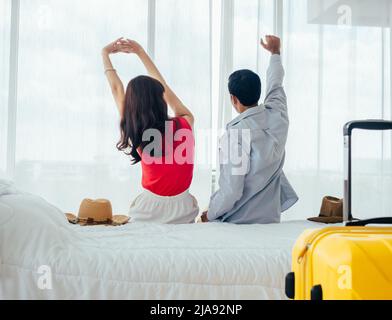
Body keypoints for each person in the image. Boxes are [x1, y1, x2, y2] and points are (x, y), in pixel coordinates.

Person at [202, 35, 298, 224]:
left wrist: (209, 214)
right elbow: (275, 83)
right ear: (258, 92)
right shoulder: (278, 115)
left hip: (239, 224)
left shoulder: (235, 135)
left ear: (233, 99)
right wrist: (275, 52)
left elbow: (232, 191)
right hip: (270, 220)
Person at [102, 38, 199, 224]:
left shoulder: (136, 129)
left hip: (148, 210)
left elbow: (116, 88)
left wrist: (104, 54)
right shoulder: (185, 122)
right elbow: (163, 88)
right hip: (184, 209)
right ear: (161, 99)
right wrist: (140, 53)